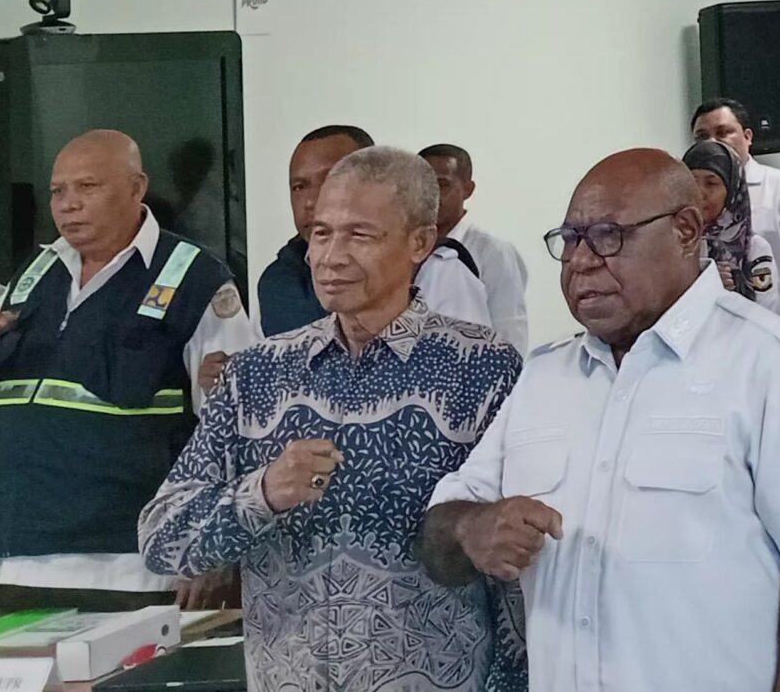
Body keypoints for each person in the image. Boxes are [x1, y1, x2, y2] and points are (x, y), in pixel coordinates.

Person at [422, 150, 780, 691]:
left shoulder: (769, 363)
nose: (580, 261)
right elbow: (440, 530)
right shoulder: (542, 378)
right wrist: (472, 528)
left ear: (685, 230)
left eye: (607, 236)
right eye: (570, 239)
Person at [140, 148, 524, 689]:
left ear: (420, 242)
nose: (331, 256)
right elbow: (162, 538)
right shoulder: (256, 375)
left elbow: (514, 571)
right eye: (321, 234)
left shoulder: (482, 369)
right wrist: (262, 493)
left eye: (359, 236)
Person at [0, 130, 260, 608]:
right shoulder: (35, 273)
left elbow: (240, 423)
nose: (68, 204)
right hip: (15, 556)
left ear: (136, 187)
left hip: (130, 563)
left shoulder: (193, 277)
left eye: (87, 187)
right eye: (57, 191)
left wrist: (213, 544)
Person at [261, 126, 488, 335]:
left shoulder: (438, 270)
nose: (311, 201)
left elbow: (466, 357)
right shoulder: (277, 281)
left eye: (331, 180)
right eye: (299, 187)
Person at [692, 98, 780, 339]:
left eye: (723, 132)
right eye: (702, 136)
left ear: (748, 136)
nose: (713, 142)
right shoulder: (685, 199)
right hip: (705, 339)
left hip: (779, 337)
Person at [420, 142, 532, 354]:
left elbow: (510, 335)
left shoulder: (493, 252)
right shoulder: (405, 250)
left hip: (474, 370)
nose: (430, 195)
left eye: (442, 185)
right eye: (422, 185)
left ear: (467, 190)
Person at [686, 139, 758, 296]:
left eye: (711, 183)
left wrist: (729, 292)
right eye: (692, 182)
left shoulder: (754, 248)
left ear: (732, 192)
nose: (699, 192)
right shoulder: (671, 245)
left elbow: (765, 307)